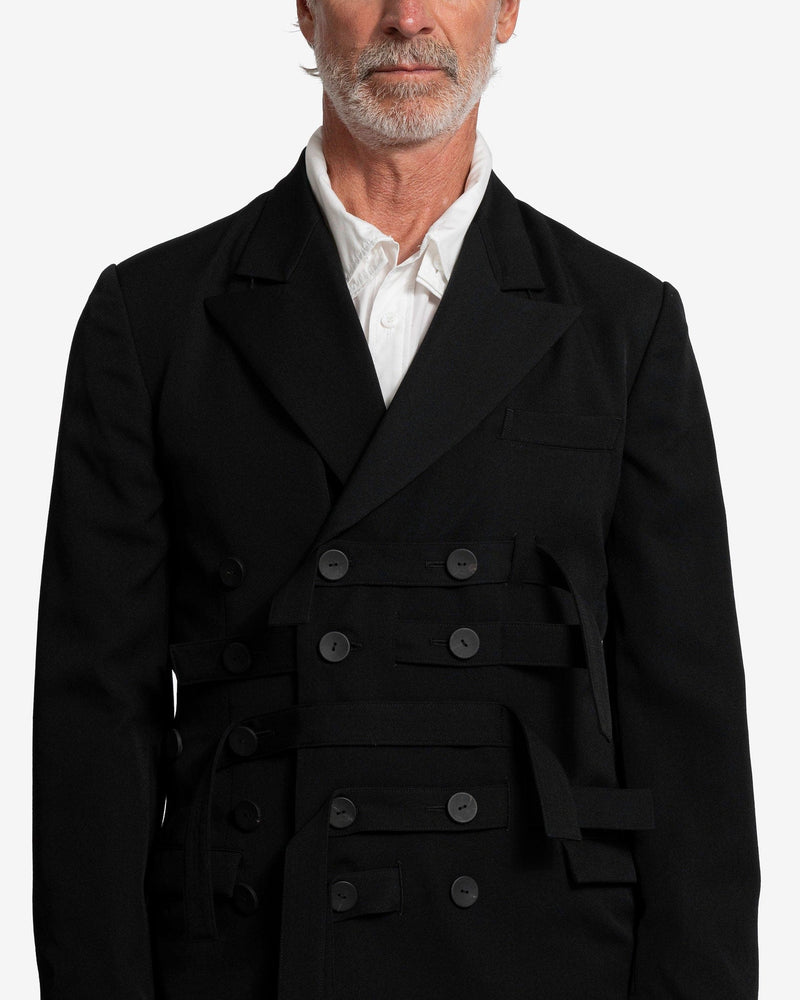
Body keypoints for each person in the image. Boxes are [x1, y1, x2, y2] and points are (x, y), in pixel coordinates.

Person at [32, 2, 760, 998]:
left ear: (507, 11)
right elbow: (92, 728)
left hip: (545, 956)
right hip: (251, 955)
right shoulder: (152, 321)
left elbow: (689, 730)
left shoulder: (623, 329)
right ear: (304, 9)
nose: (407, 17)